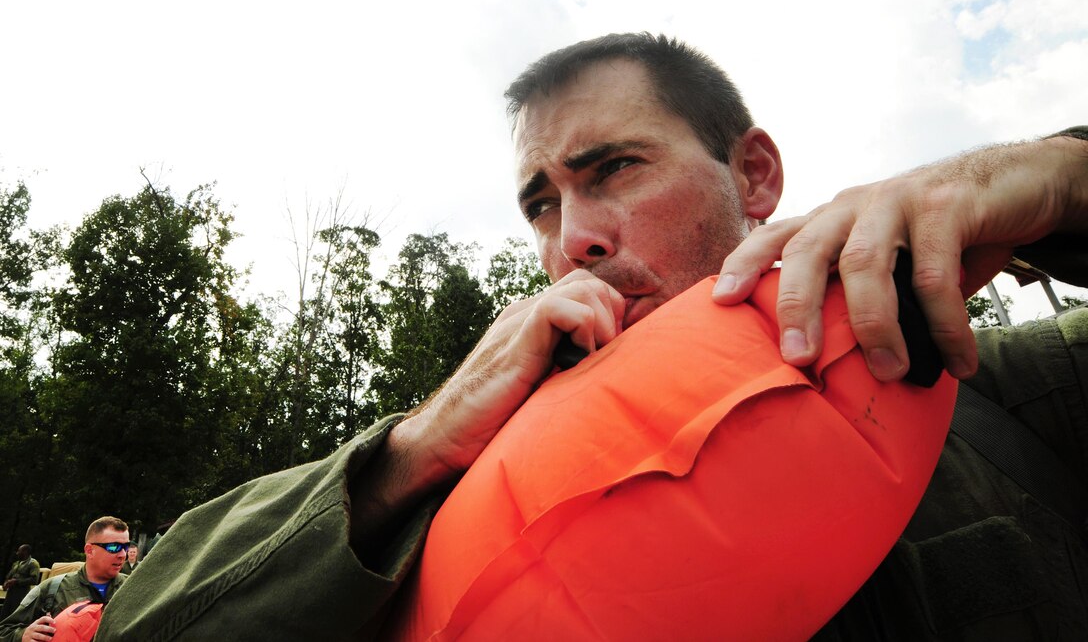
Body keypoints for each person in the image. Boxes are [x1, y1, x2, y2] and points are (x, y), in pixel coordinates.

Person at [97, 33, 1088, 639]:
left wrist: (1056, 178)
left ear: (752, 176)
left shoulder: (998, 388)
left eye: (612, 167)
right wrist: (411, 452)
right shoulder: (445, 484)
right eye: (539, 204)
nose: (573, 239)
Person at [0, 517, 130, 642]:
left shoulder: (132, 588)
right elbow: (5, 631)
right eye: (114, 547)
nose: (123, 555)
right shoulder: (52, 588)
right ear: (89, 550)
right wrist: (23, 635)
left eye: (126, 547)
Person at [1, 547, 39, 618]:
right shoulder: (16, 563)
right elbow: (9, 576)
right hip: (10, 594)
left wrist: (16, 581)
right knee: (4, 615)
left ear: (25, 552)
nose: (17, 553)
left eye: (19, 551)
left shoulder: (33, 564)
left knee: (15, 615)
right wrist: (6, 583)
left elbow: (34, 580)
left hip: (22, 595)